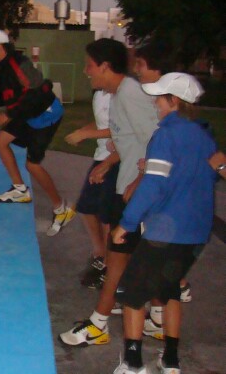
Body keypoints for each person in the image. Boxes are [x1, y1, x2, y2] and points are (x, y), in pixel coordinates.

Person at [111, 72, 217, 374]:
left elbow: (154, 184)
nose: (155, 102)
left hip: (165, 229)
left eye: (160, 97)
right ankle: (170, 360)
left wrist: (126, 223)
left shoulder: (166, 134)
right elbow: (200, 175)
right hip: (196, 233)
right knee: (169, 289)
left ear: (175, 101)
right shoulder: (203, 136)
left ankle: (133, 364)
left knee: (131, 294)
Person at [59, 38, 159, 347]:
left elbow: (157, 140)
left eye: (90, 65)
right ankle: (156, 317)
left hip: (136, 192)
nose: (87, 71)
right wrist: (108, 163)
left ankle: (99, 323)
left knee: (124, 257)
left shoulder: (130, 94)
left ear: (105, 65)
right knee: (132, 257)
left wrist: (138, 182)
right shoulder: (118, 95)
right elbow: (129, 137)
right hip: (127, 185)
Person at [0, 29, 74, 224]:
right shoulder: (5, 68)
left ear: (0, 47)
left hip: (46, 114)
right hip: (27, 112)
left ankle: (61, 208)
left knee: (32, 165)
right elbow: (3, 94)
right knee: (0, 141)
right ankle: (20, 190)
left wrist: (9, 114)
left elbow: (38, 94)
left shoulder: (19, 64)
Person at [62, 89, 118, 290]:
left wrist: (88, 133)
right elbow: (102, 124)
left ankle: (109, 266)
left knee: (106, 215)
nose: (86, 72)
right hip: (101, 155)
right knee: (86, 207)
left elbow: (127, 129)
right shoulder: (98, 95)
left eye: (90, 66)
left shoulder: (123, 94)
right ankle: (100, 253)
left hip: (117, 159)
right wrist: (83, 133)